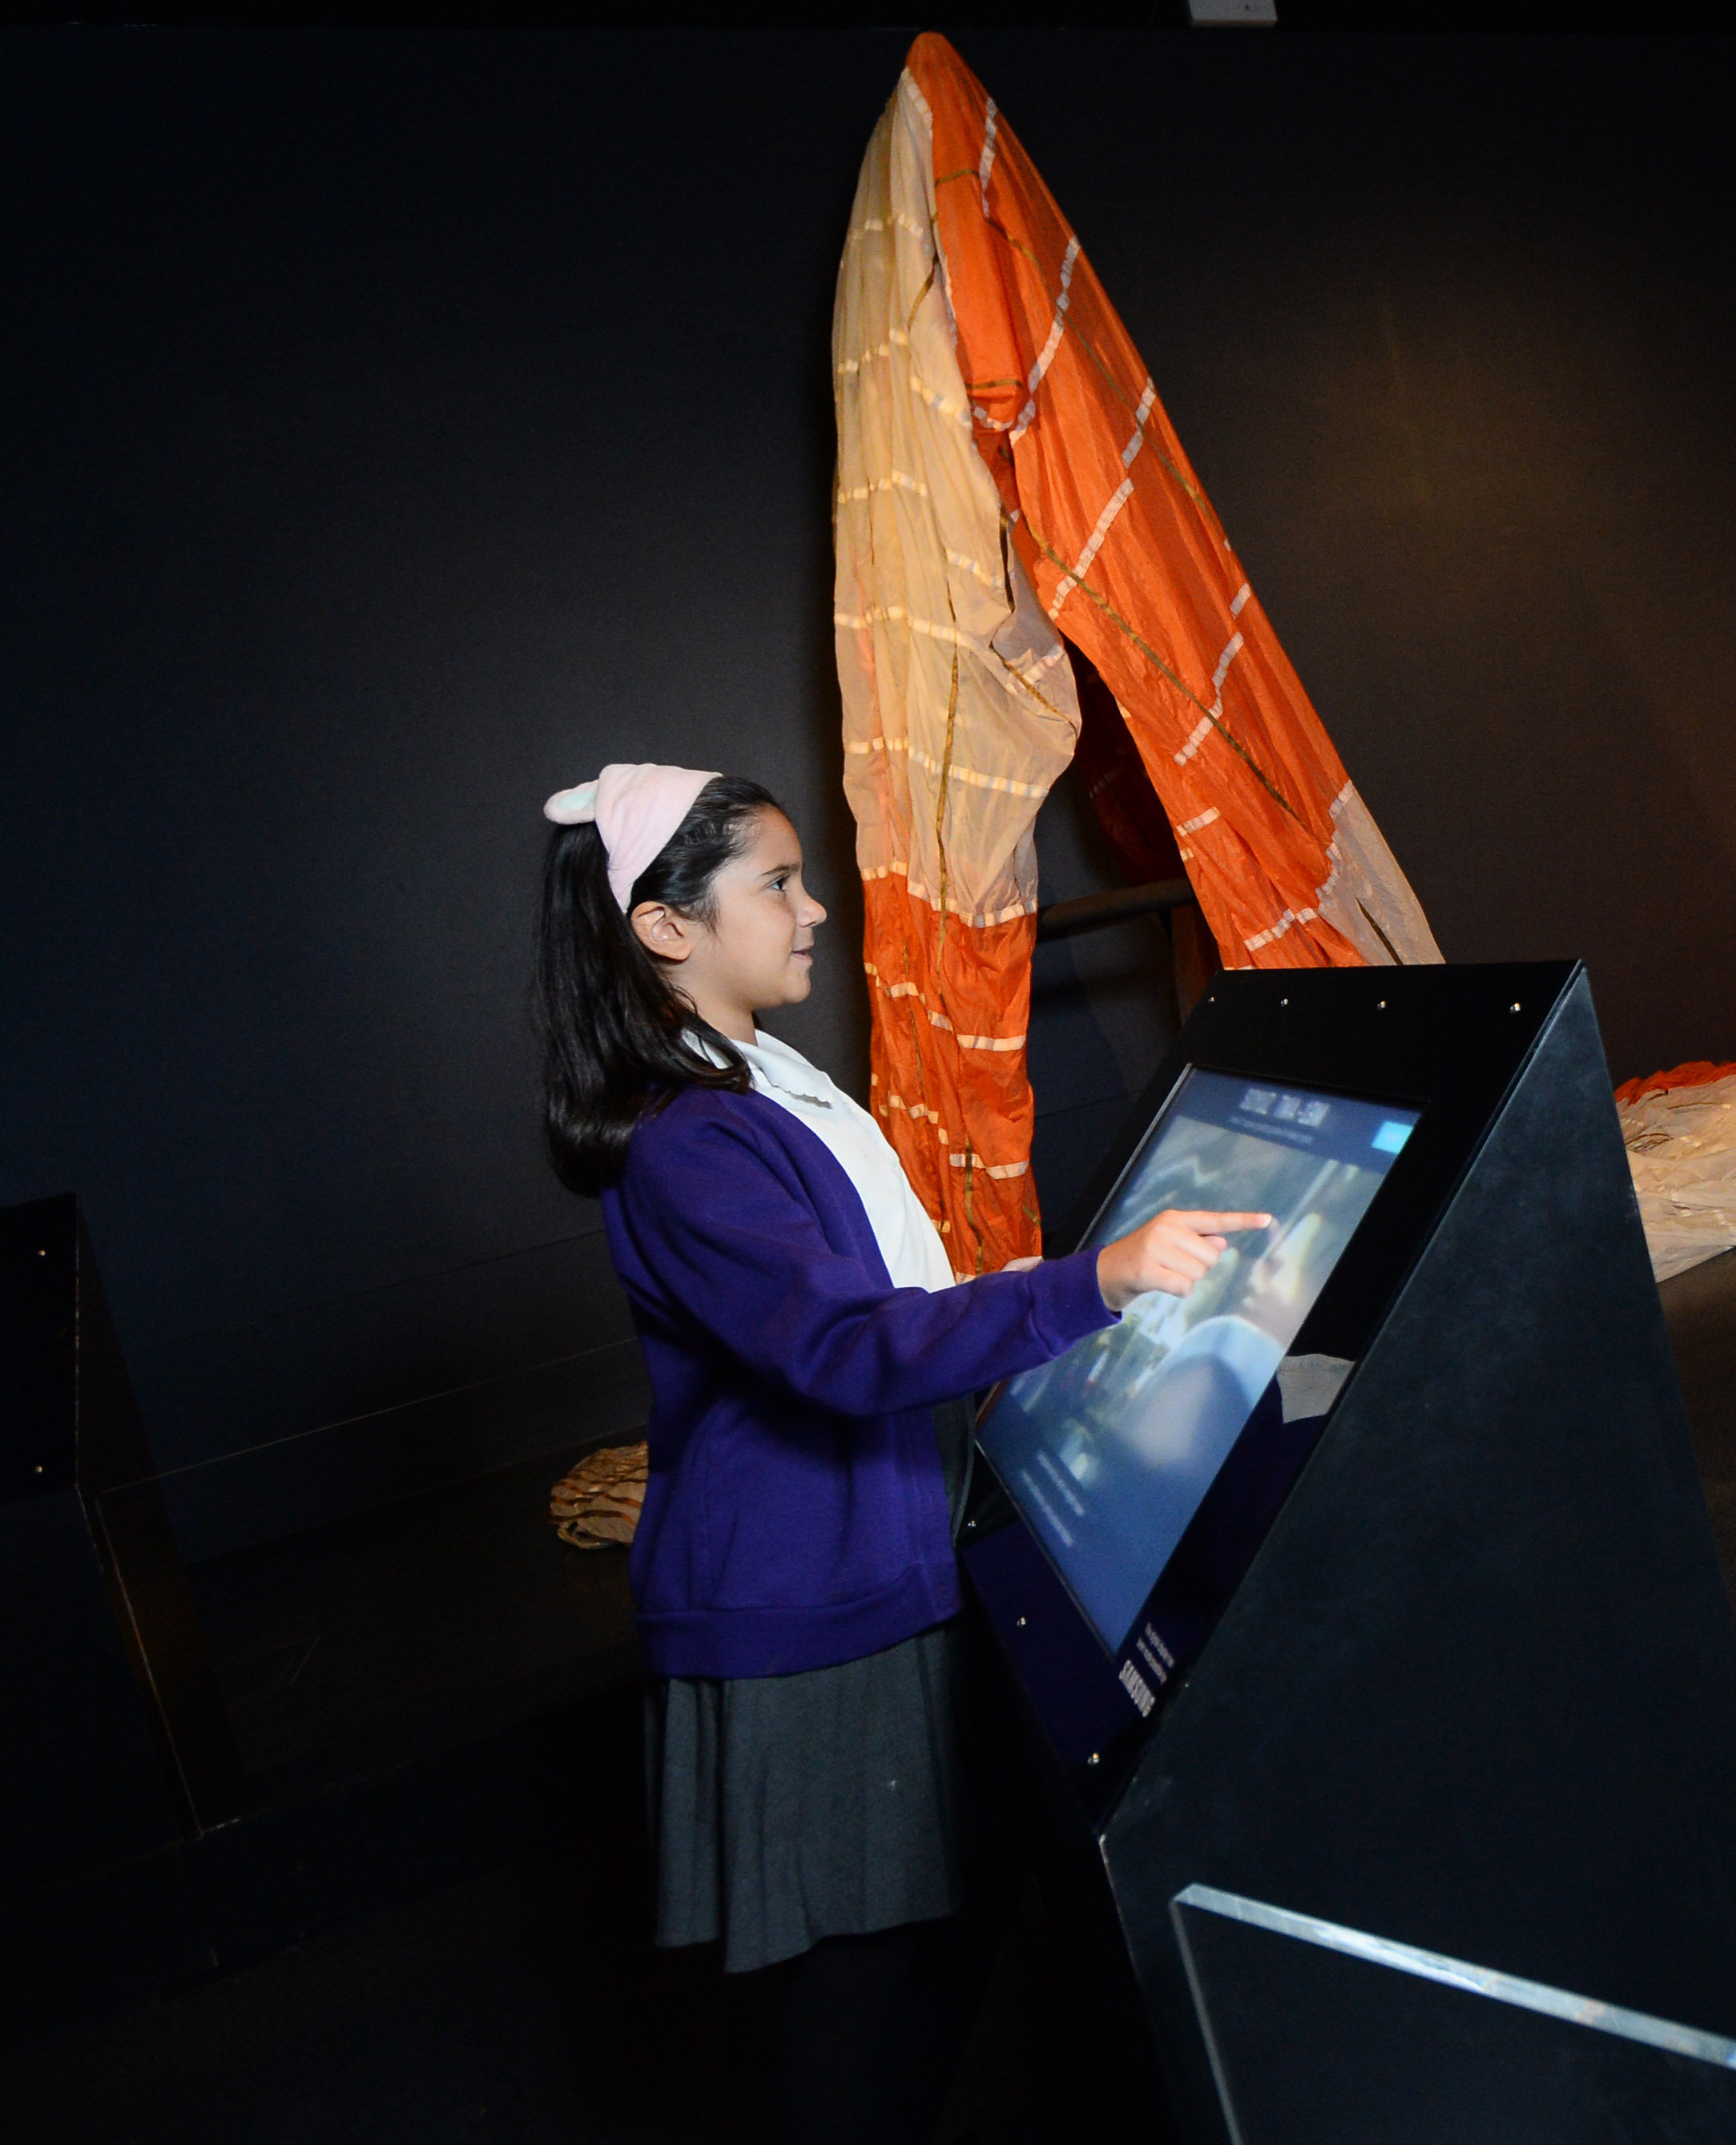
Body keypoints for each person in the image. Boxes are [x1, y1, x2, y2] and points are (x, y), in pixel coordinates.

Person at [534, 762, 1259, 2143]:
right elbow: (846, 1346)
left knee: (945, 1926)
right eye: (778, 884)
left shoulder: (759, 1082)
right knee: (871, 1980)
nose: (815, 911)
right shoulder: (694, 1142)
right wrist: (1091, 1286)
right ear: (666, 927)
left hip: (873, 1560)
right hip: (812, 1611)